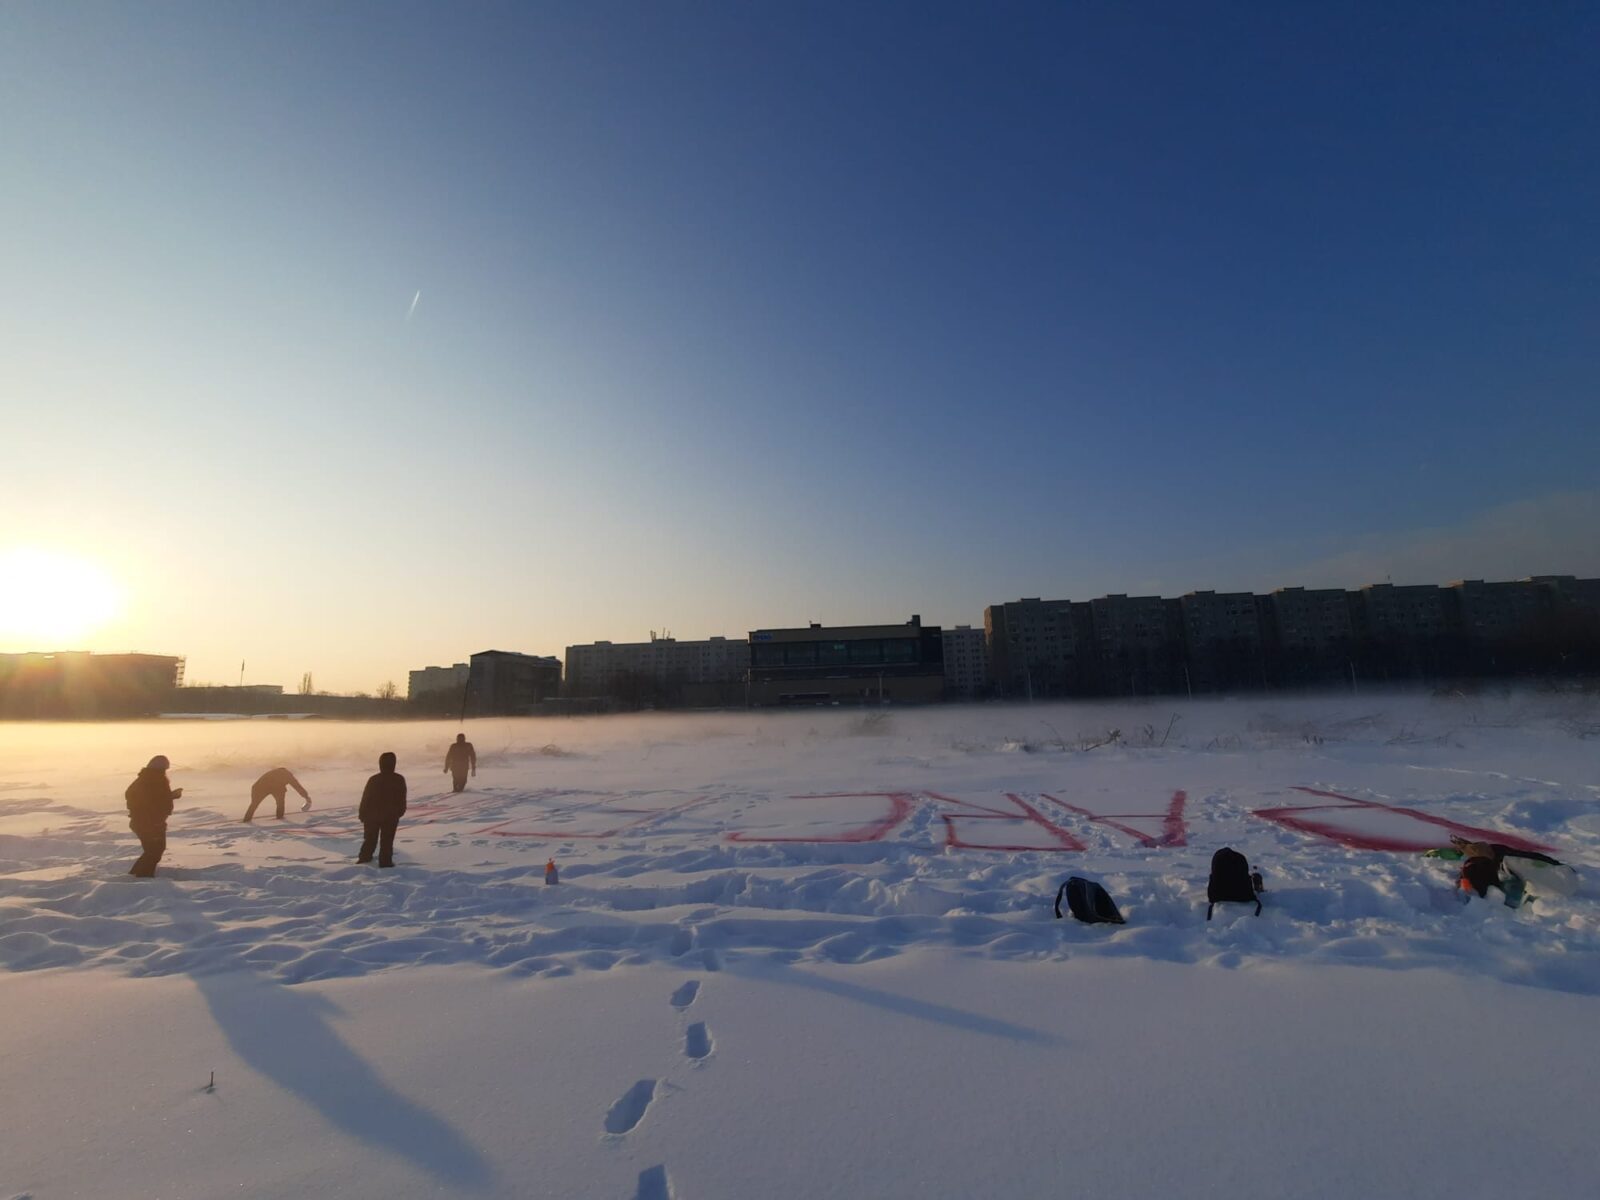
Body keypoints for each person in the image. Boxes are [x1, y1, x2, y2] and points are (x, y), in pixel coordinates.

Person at [125, 755, 181, 878]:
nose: (165, 772)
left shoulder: (146, 778)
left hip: (145, 823)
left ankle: (135, 875)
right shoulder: (155, 780)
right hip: (150, 824)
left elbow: (155, 799)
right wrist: (153, 820)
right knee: (154, 852)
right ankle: (143, 877)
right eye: (165, 769)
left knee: (152, 851)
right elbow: (150, 802)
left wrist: (171, 796)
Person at [357, 751, 407, 868]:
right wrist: (400, 811)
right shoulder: (398, 779)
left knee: (370, 839)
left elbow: (365, 798)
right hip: (390, 815)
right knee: (387, 840)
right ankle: (385, 862)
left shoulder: (374, 779)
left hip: (372, 816)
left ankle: (364, 858)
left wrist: (362, 813)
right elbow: (402, 798)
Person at [243, 766, 311, 822]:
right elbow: (296, 786)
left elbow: (255, 787)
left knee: (254, 804)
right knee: (280, 802)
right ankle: (280, 818)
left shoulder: (275, 772)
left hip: (258, 787)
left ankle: (246, 820)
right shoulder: (287, 774)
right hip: (269, 787)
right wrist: (306, 796)